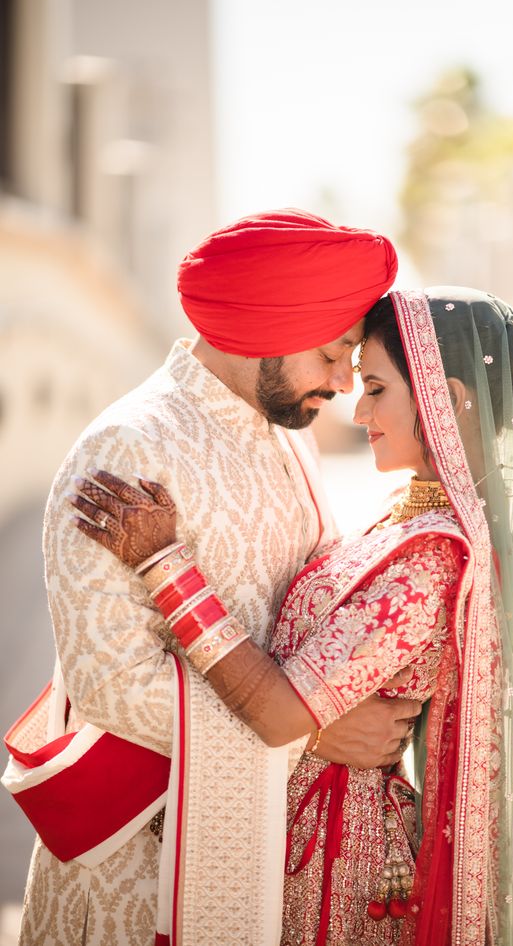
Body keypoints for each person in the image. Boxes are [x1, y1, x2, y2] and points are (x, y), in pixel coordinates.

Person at [71, 287, 513, 946]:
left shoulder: (433, 559)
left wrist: (166, 564)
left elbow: (280, 713)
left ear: (446, 400)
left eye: (377, 389)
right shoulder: (410, 517)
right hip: (303, 823)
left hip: (337, 859)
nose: (358, 409)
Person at [1, 209, 423, 946]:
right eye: (330, 353)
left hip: (274, 849)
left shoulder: (285, 439)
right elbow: (113, 686)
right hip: (138, 864)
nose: (339, 382)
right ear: (262, 326)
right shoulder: (126, 447)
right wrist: (314, 734)